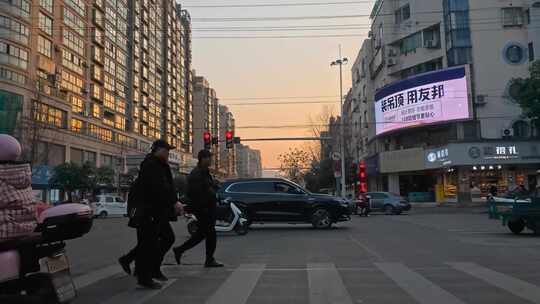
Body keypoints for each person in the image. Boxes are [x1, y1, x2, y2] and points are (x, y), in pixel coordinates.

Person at [118, 140, 178, 289]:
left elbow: (167, 187)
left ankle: (140, 265)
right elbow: (158, 188)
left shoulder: (160, 164)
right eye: (166, 150)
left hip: (158, 211)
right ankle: (144, 276)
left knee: (163, 239)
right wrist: (173, 202)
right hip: (148, 211)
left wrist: (174, 201)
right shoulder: (151, 165)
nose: (168, 153)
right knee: (147, 244)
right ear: (157, 150)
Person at [173, 150, 223, 268]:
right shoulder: (197, 174)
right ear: (203, 159)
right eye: (209, 158)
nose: (211, 160)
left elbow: (208, 187)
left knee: (201, 234)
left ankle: (179, 250)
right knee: (211, 234)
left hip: (207, 207)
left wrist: (214, 185)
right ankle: (209, 260)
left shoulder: (205, 172)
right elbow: (197, 193)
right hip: (203, 208)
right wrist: (205, 204)